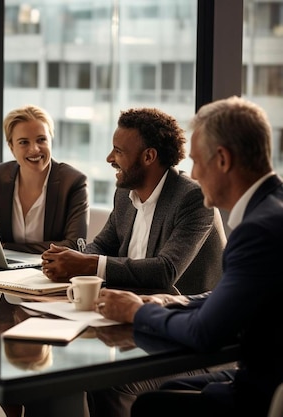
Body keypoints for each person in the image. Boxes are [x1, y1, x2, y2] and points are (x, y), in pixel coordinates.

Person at [95, 96, 283, 417]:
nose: (193, 174)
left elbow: (204, 333)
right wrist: (172, 302)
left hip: (264, 389)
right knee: (167, 393)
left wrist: (136, 313)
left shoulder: (257, 230)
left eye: (197, 161)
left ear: (222, 159)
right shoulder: (271, 210)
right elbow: (231, 296)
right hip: (267, 374)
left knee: (152, 403)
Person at [41, 107, 226, 295]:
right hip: (130, 304)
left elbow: (165, 270)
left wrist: (88, 264)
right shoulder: (124, 195)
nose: (109, 158)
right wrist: (67, 260)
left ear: (148, 156)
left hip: (186, 314)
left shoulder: (192, 198)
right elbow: (103, 246)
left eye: (118, 151)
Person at [0, 104, 88, 253]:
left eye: (41, 139)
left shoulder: (73, 182)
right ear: (11, 147)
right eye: (24, 142)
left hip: (51, 270)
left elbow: (74, 245)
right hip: (1, 271)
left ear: (51, 140)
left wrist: (7, 247)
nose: (34, 149)